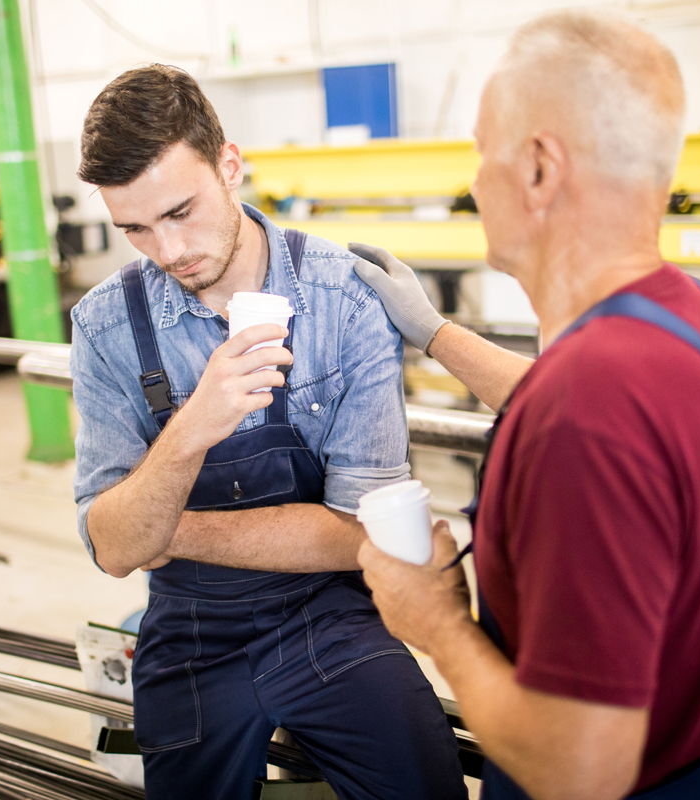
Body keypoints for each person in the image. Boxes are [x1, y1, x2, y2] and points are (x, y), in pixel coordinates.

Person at [351, 11, 700, 800]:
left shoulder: (587, 412)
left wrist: (436, 621)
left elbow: (580, 770)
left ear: (540, 170)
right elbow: (594, 414)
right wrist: (436, 333)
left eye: (483, 150)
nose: (473, 179)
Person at [70, 65, 467, 800]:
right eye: (135, 228)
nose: (166, 250)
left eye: (181, 211)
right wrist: (194, 427)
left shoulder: (346, 297)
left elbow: (362, 534)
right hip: (189, 632)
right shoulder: (104, 325)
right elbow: (115, 549)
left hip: (327, 611)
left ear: (229, 164)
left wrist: (166, 528)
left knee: (426, 781)